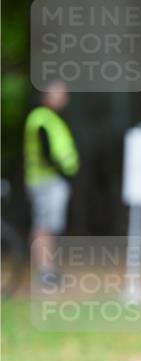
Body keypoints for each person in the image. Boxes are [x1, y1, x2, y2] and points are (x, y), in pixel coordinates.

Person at [24, 79, 79, 286]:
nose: (64, 97)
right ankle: (44, 270)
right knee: (43, 226)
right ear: (47, 95)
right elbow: (46, 151)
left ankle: (49, 269)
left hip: (52, 181)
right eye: (59, 93)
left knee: (49, 226)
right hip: (45, 181)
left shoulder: (52, 118)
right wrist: (62, 171)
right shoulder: (41, 119)